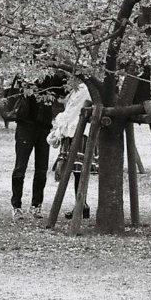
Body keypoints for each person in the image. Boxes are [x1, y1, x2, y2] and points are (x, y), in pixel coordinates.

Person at [9, 76, 64, 223]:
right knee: (20, 167)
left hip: (44, 127)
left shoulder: (52, 76)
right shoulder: (25, 73)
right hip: (25, 125)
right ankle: (16, 206)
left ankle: (36, 204)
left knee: (41, 168)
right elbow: (22, 91)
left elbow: (63, 89)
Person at [50, 83, 93, 220]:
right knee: (77, 172)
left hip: (78, 133)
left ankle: (81, 206)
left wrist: (58, 130)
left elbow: (71, 114)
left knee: (79, 171)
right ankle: (81, 205)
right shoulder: (77, 89)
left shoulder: (83, 89)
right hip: (73, 132)